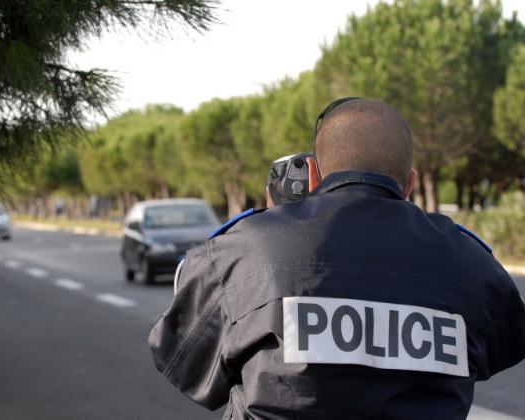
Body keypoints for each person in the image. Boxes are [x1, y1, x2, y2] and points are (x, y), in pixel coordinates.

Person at [148, 98, 525, 419]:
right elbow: (499, 351)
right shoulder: (472, 263)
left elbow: (187, 364)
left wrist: (264, 236)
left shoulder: (245, 250)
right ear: (409, 184)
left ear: (312, 173)